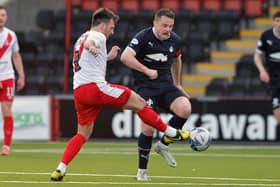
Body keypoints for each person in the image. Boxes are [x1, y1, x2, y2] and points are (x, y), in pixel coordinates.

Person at [50, 8, 190, 182]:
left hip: (79, 92)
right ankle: (171, 132)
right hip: (95, 88)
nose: (112, 31)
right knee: (140, 103)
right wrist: (92, 47)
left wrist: (107, 56)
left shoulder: (80, 37)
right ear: (104, 24)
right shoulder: (97, 36)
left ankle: (60, 169)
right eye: (112, 27)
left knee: (82, 134)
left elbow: (88, 55)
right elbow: (91, 43)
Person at [120, 8, 192, 181]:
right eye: (164, 25)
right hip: (146, 88)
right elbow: (125, 57)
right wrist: (146, 70)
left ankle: (163, 145)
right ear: (155, 22)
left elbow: (176, 59)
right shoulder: (143, 37)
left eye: (171, 26)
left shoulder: (175, 40)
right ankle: (142, 171)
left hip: (166, 86)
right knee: (148, 126)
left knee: (185, 108)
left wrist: (177, 83)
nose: (168, 29)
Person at [0, 6, 25, 156]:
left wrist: (21, 75)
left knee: (6, 109)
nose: (0, 18)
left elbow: (16, 56)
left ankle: (6, 146)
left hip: (8, 77)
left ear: (6, 17)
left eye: (3, 15)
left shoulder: (11, 35)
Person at [254, 10, 280, 128]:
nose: (279, 23)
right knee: (277, 108)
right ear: (273, 22)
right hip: (274, 81)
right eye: (277, 21)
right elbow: (257, 55)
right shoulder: (266, 36)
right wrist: (262, 70)